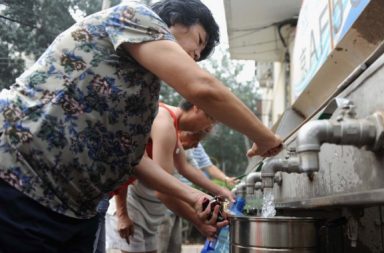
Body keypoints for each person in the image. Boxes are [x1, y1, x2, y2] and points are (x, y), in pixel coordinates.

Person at [0, 0, 282, 252]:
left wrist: (194, 198)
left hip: (73, 212)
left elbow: (133, 160)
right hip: (23, 179)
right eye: (198, 40)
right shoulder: (135, 15)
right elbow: (203, 88)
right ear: (174, 18)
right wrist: (264, 137)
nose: (196, 54)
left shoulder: (142, 91)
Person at [106, 101, 235, 253]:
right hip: (130, 207)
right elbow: (163, 190)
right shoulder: (163, 122)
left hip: (149, 214)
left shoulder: (171, 123)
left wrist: (221, 191)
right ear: (197, 107)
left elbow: (184, 167)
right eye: (211, 121)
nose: (208, 128)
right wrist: (198, 220)